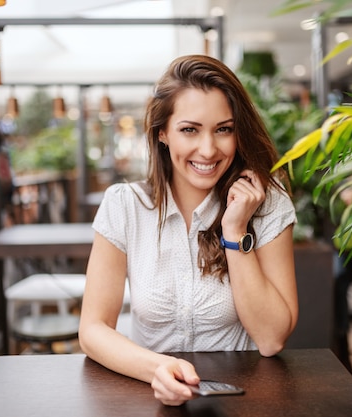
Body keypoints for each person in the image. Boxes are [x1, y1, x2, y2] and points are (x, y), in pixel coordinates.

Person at [78, 54, 299, 406]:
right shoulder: (124, 205)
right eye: (189, 129)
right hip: (149, 395)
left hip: (243, 400)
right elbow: (92, 331)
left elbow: (271, 339)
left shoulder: (267, 203)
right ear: (162, 132)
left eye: (223, 129)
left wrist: (234, 229)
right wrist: (157, 369)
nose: (208, 149)